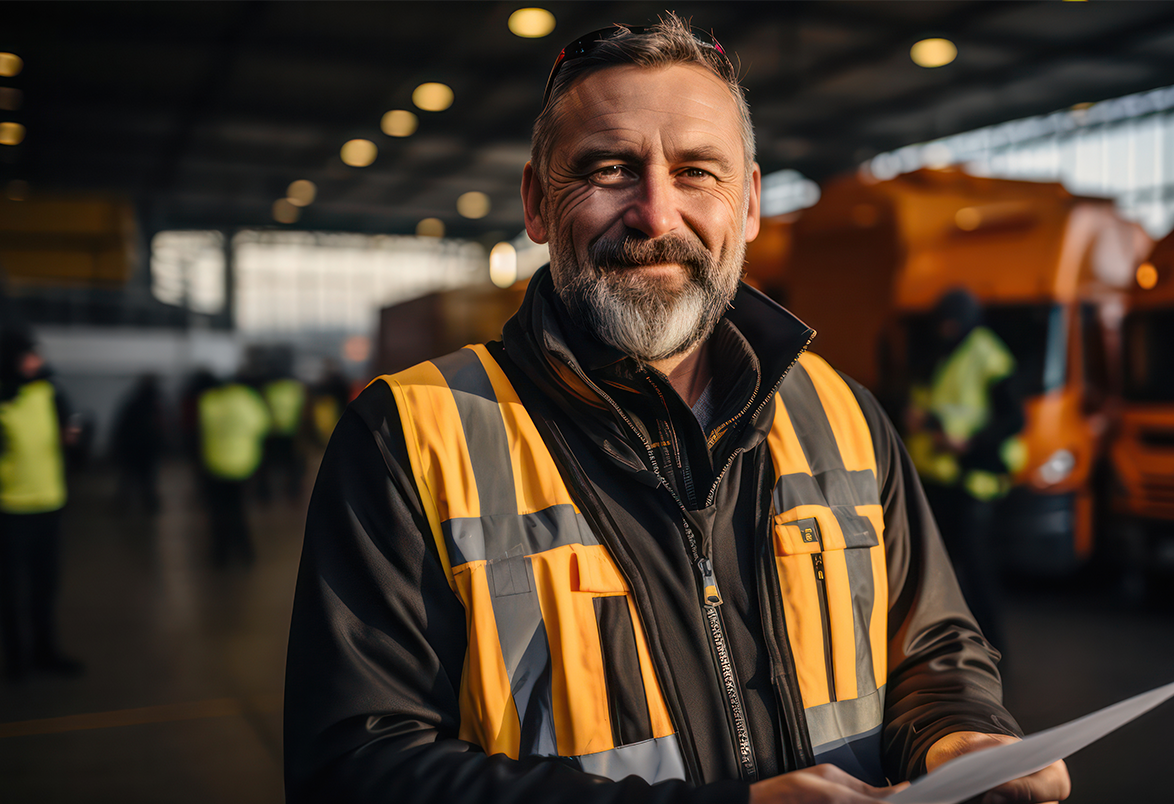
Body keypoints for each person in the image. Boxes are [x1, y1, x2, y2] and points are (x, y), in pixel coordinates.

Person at [285, 16, 1069, 804]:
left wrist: (959, 732)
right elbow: (357, 770)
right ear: (535, 202)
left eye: (697, 172)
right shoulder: (409, 437)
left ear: (750, 203)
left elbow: (931, 646)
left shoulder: (843, 413)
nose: (657, 216)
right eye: (610, 168)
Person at [903, 289, 1026, 651]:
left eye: (953, 321)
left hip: (972, 480)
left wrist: (969, 444)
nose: (948, 327)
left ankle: (990, 645)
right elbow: (926, 399)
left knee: (975, 569)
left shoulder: (987, 354)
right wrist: (918, 418)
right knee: (936, 570)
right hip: (935, 477)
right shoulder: (940, 352)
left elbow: (1013, 418)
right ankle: (947, 644)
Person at [0, 324, 83, 680]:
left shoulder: (51, 390)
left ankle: (46, 652)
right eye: (28, 354)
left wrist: (74, 440)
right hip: (12, 511)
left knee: (45, 587)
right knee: (11, 591)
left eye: (36, 353)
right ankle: (16, 662)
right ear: (10, 359)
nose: (36, 360)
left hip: (50, 505)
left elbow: (69, 434)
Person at [197, 371, 270, 566]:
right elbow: (263, 426)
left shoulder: (209, 401)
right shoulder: (249, 401)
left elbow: (201, 425)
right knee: (238, 510)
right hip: (243, 465)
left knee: (218, 511)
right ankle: (245, 553)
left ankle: (221, 555)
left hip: (215, 464)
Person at [112, 373, 165, 512]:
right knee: (147, 479)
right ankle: (149, 505)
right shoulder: (157, 404)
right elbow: (163, 427)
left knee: (129, 478)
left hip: (132, 447)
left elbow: (121, 426)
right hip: (148, 448)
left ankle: (124, 505)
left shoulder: (133, 402)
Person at [260, 372, 306, 500]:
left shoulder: (268, 390)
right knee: (294, 465)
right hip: (293, 433)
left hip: (272, 432)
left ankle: (265, 495)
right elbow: (303, 410)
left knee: (267, 465)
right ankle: (293, 492)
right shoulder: (296, 389)